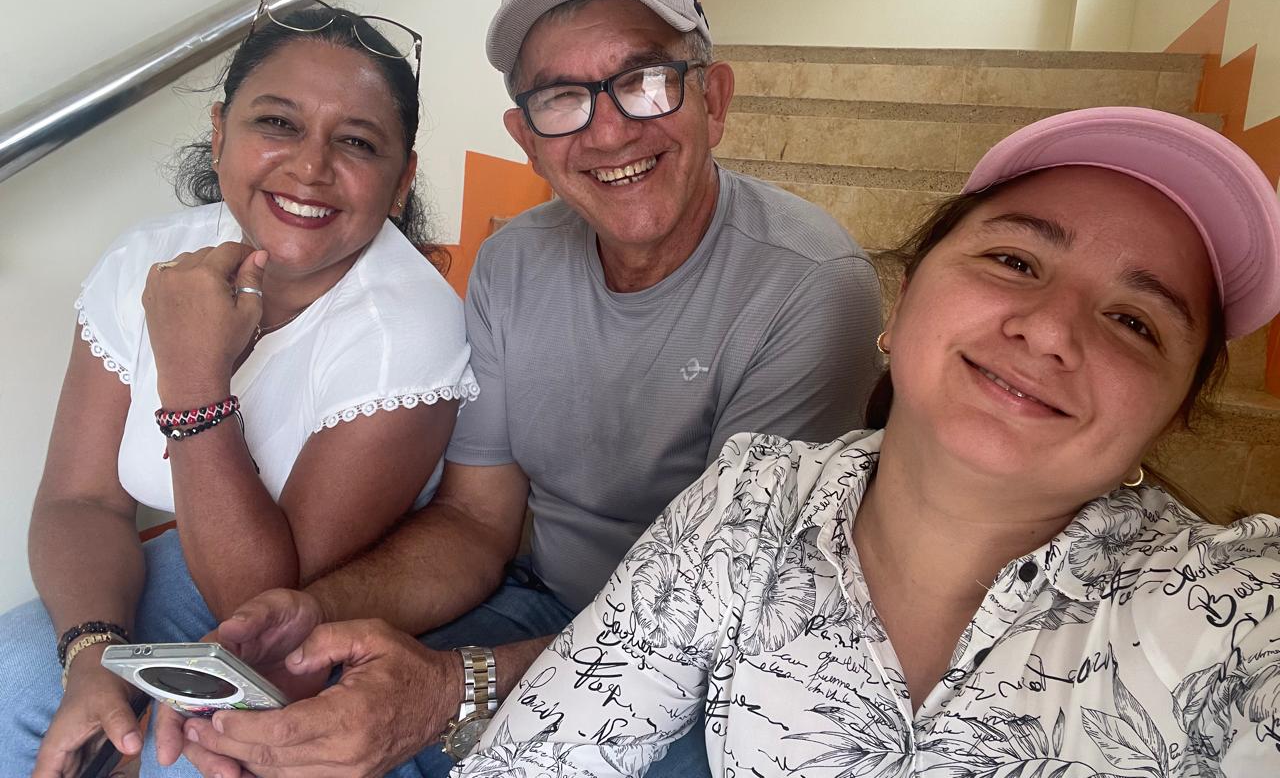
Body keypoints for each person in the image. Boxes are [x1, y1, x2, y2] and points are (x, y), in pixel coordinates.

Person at [158, 0, 883, 777]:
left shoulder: (808, 285)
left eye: (645, 81)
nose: (608, 133)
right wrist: (309, 616)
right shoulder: (512, 261)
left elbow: (727, 614)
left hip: (716, 669)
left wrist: (453, 688)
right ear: (526, 136)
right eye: (562, 98)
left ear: (713, 99)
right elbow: (476, 521)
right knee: (265, 744)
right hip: (534, 603)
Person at [452, 107, 1280, 776]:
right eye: (1016, 261)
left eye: (1135, 322)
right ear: (902, 303)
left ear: (1167, 418)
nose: (1052, 331)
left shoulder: (1237, 614)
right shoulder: (750, 500)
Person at [0, 0, 476, 777]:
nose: (311, 167)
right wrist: (93, 653)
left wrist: (192, 373)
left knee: (184, 763)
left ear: (401, 182)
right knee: (15, 678)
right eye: (278, 123)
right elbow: (80, 501)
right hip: (193, 563)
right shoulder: (146, 259)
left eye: (356, 141)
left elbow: (256, 602)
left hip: (331, 601)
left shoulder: (408, 326)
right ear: (220, 133)